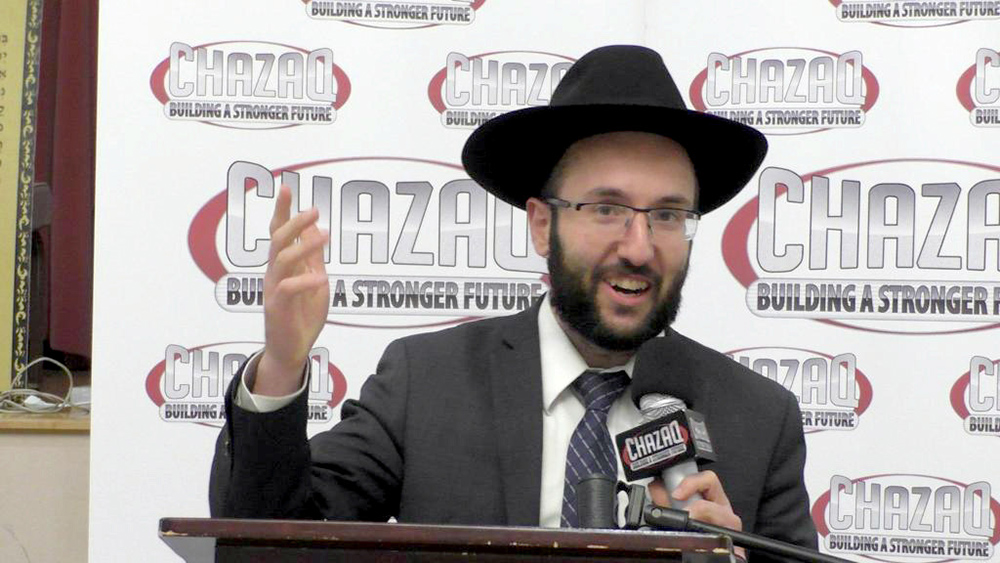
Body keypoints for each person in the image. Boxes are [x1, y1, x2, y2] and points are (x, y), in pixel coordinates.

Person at [210, 45, 818, 559]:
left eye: (667, 215)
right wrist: (282, 366)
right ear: (541, 225)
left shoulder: (759, 419)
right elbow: (269, 543)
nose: (639, 247)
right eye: (606, 208)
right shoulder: (427, 382)